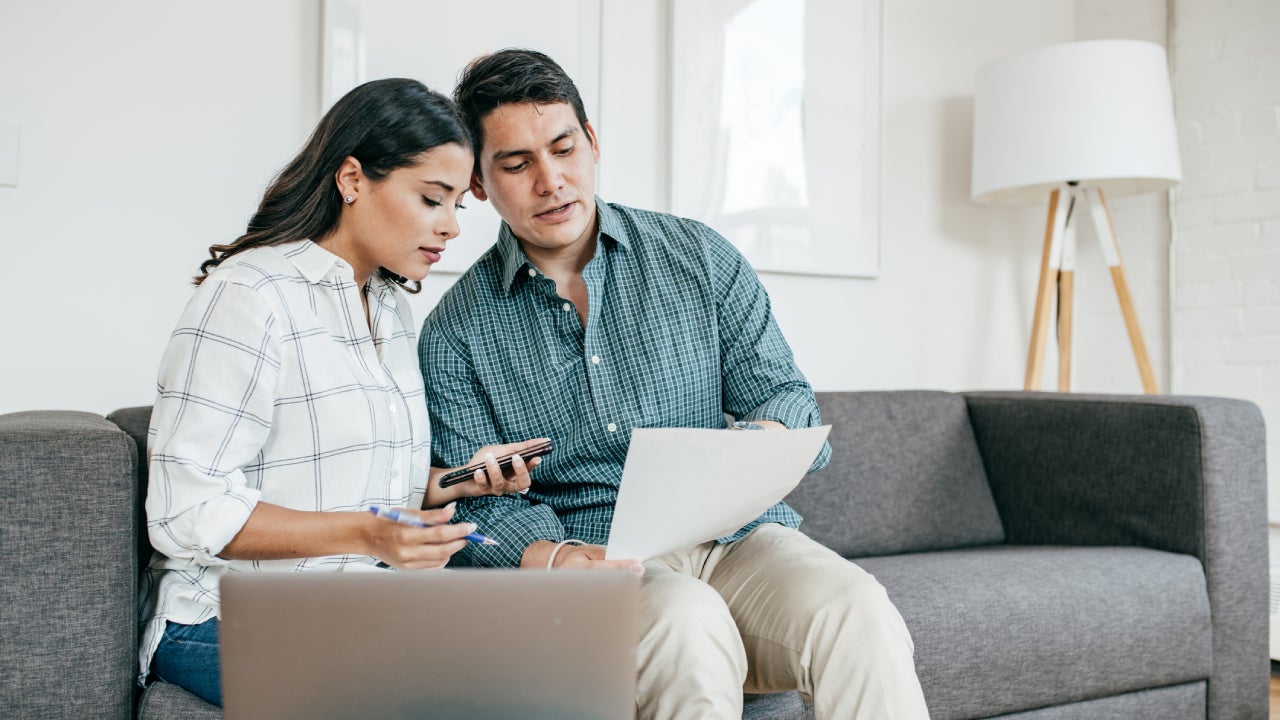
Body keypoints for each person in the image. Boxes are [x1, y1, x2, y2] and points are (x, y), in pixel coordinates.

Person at [419, 49, 931, 719]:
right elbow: (475, 512)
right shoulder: (454, 332)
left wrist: (757, 445)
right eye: (517, 165)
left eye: (564, 148)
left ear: (592, 142)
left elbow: (784, 395)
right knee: (688, 623)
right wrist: (555, 557)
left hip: (738, 537)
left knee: (856, 608)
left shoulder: (699, 257)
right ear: (480, 185)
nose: (551, 181)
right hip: (600, 561)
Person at [138, 78, 547, 707]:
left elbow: (366, 489)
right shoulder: (250, 297)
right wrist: (367, 536)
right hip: (225, 619)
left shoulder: (387, 307)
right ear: (352, 179)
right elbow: (186, 512)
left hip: (359, 604)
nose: (450, 228)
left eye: (456, 207)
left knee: (547, 661)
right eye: (431, 199)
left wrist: (459, 481)